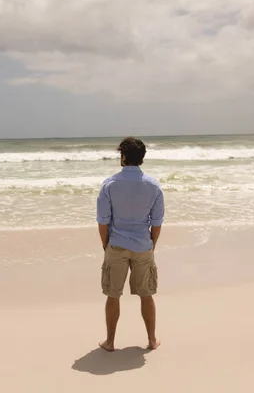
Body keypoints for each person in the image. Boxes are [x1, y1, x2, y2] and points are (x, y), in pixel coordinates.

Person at [96, 136, 165, 352]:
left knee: (113, 295)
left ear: (123, 157)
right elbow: (156, 222)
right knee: (147, 295)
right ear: (142, 158)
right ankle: (152, 340)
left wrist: (105, 244)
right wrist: (151, 245)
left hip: (116, 245)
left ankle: (110, 342)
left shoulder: (110, 184)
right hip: (143, 246)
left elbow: (103, 221)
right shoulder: (153, 185)